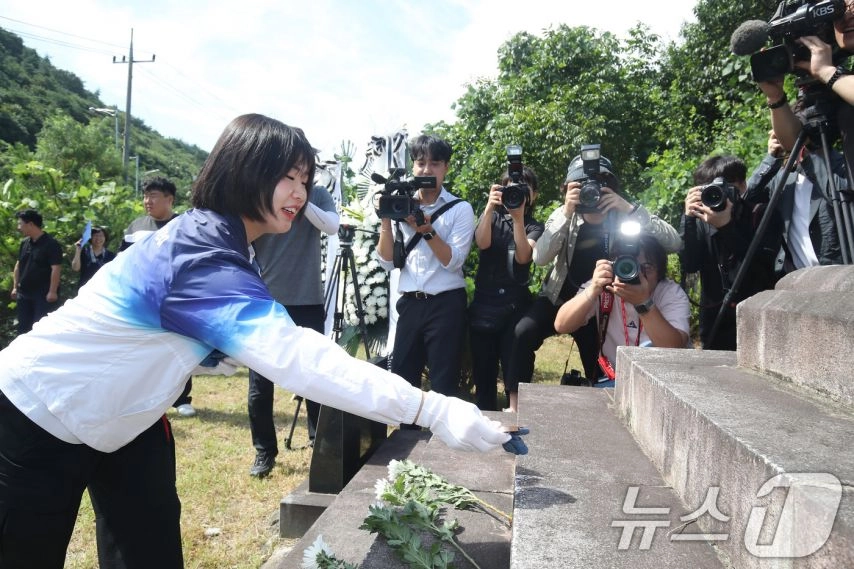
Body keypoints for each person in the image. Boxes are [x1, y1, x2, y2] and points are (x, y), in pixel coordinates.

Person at [0, 114, 511, 569]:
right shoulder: (202, 254)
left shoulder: (227, 243)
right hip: (38, 411)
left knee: (149, 548)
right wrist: (431, 408)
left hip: (125, 420)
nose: (299, 193)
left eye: (306, 180)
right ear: (243, 171)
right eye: (287, 177)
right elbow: (296, 357)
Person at [505, 154, 681, 412]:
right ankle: (515, 406)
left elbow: (674, 242)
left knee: (596, 359)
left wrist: (630, 209)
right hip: (560, 295)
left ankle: (604, 409)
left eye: (599, 186)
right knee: (522, 332)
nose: (592, 194)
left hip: (601, 304)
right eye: (581, 186)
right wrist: (566, 211)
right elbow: (540, 258)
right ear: (568, 190)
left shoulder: (624, 215)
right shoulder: (565, 214)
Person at [247, 183, 339, 478]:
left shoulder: (317, 193)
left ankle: (319, 441)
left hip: (307, 298)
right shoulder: (260, 192)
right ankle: (264, 451)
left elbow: (332, 226)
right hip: (265, 301)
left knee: (313, 374)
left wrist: (302, 197)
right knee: (260, 384)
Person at [375, 135, 475, 399]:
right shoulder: (400, 204)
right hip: (409, 303)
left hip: (446, 304)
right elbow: (386, 261)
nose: (426, 170)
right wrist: (386, 219)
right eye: (420, 163)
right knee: (402, 381)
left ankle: (441, 440)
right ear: (413, 166)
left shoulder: (460, 209)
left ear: (446, 168)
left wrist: (427, 231)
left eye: (435, 163)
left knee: (443, 383)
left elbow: (453, 261)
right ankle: (406, 437)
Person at [554, 234, 690, 385]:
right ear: (614, 266)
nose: (637, 274)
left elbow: (675, 348)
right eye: (628, 266)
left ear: (660, 272)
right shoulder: (605, 286)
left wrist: (643, 303)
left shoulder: (670, 293)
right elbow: (562, 325)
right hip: (619, 380)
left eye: (646, 268)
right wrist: (592, 290)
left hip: (664, 380)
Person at [680, 154, 782, 350]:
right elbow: (690, 264)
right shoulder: (700, 221)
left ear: (743, 186)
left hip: (757, 319)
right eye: (710, 190)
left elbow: (762, 271)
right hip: (714, 322)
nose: (718, 195)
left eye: (725, 189)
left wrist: (726, 227)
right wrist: (688, 219)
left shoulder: (761, 214)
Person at [468, 166, 543, 411]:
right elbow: (481, 242)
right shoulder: (494, 218)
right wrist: (489, 208)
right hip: (485, 303)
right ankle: (484, 411)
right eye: (511, 188)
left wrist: (519, 219)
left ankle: (514, 411)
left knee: (515, 359)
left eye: (524, 189)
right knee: (483, 368)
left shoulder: (534, 226)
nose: (517, 194)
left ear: (534, 195)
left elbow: (523, 257)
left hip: (514, 304)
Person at [122, 176, 197, 417]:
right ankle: (142, 397)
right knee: (143, 350)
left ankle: (181, 399)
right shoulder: (135, 227)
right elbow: (122, 262)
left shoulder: (183, 226)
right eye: (145, 196)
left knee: (177, 349)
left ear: (170, 199)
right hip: (142, 301)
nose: (147, 201)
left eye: (153, 196)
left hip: (175, 299)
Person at [745, 127, 845, 272]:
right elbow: (747, 198)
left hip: (839, 275)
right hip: (797, 278)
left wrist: (808, 159)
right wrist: (772, 158)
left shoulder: (841, 168)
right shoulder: (783, 177)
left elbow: (840, 199)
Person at [10, 209, 62, 335]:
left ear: (31, 224)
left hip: (42, 295)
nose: (19, 227)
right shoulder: (25, 243)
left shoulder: (51, 244)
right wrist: (15, 287)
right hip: (24, 293)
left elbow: (56, 268)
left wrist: (52, 291)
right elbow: (19, 264)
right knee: (23, 329)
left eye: (20, 224)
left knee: (40, 329)